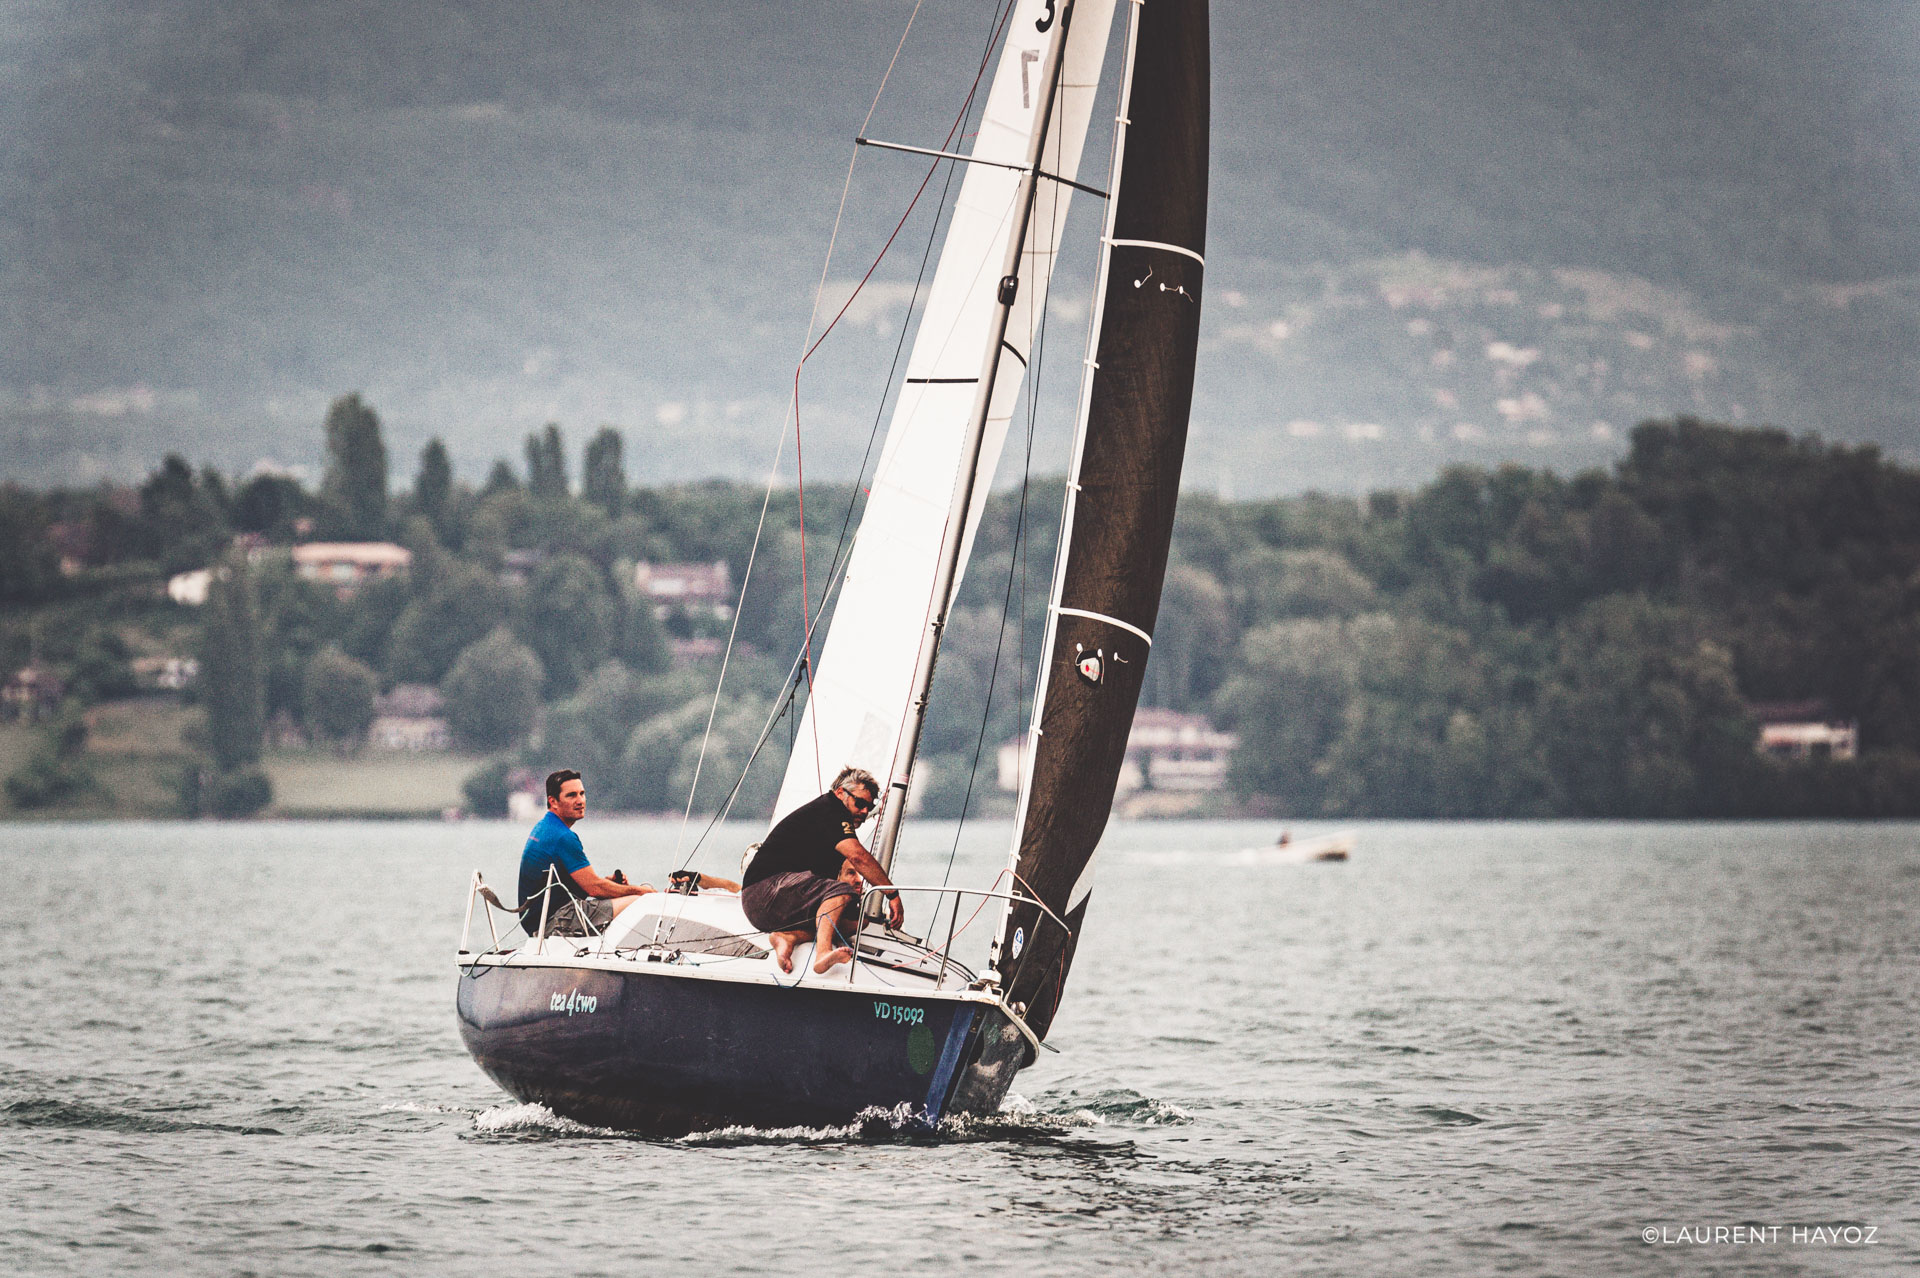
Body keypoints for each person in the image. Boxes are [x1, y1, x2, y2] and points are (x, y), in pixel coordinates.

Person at [740, 766, 904, 974]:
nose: (864, 811)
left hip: (770, 905)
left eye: (869, 807)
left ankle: (787, 937)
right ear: (840, 793)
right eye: (860, 803)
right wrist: (892, 893)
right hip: (764, 892)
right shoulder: (831, 810)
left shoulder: (831, 826)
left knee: (855, 921)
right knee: (843, 891)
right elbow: (858, 856)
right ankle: (823, 952)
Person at [517, 769, 655, 936]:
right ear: (553, 802)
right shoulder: (563, 837)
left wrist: (609, 883)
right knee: (643, 899)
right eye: (571, 795)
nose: (580, 801)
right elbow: (594, 889)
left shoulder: (543, 827)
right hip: (554, 922)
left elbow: (578, 885)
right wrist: (640, 891)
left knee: (630, 894)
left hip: (537, 922)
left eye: (582, 794)